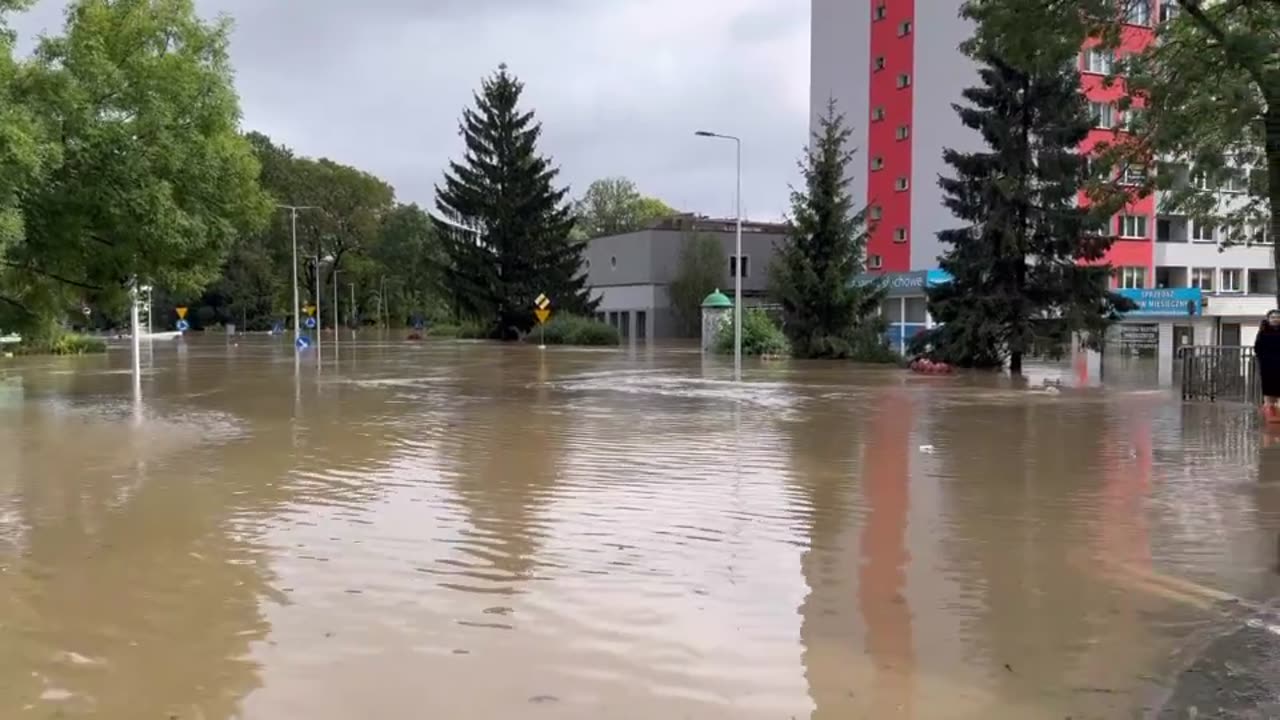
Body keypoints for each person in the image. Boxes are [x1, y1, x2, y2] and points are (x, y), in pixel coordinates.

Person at [1256, 310, 1280, 419]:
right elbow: (1258, 348)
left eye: (1277, 317)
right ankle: (1269, 410)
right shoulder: (1263, 332)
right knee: (1268, 387)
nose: (1275, 319)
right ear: (1268, 319)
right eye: (1273, 317)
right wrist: (1264, 358)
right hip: (1267, 364)